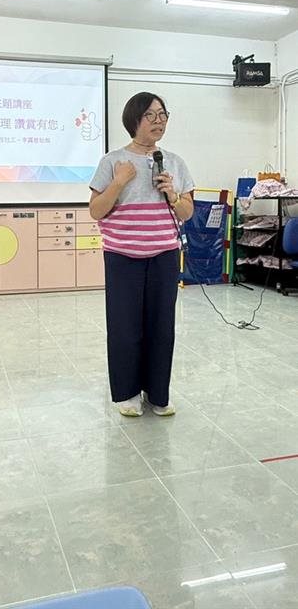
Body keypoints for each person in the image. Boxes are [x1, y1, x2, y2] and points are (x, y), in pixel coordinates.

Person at [89, 92, 194, 417]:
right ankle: (128, 393)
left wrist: (173, 195)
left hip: (164, 256)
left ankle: (158, 394)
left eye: (163, 114)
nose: (159, 121)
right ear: (134, 119)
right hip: (122, 256)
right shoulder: (113, 162)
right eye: (151, 115)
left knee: (161, 327)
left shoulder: (174, 162)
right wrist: (118, 182)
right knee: (125, 327)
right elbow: (96, 210)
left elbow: (187, 212)